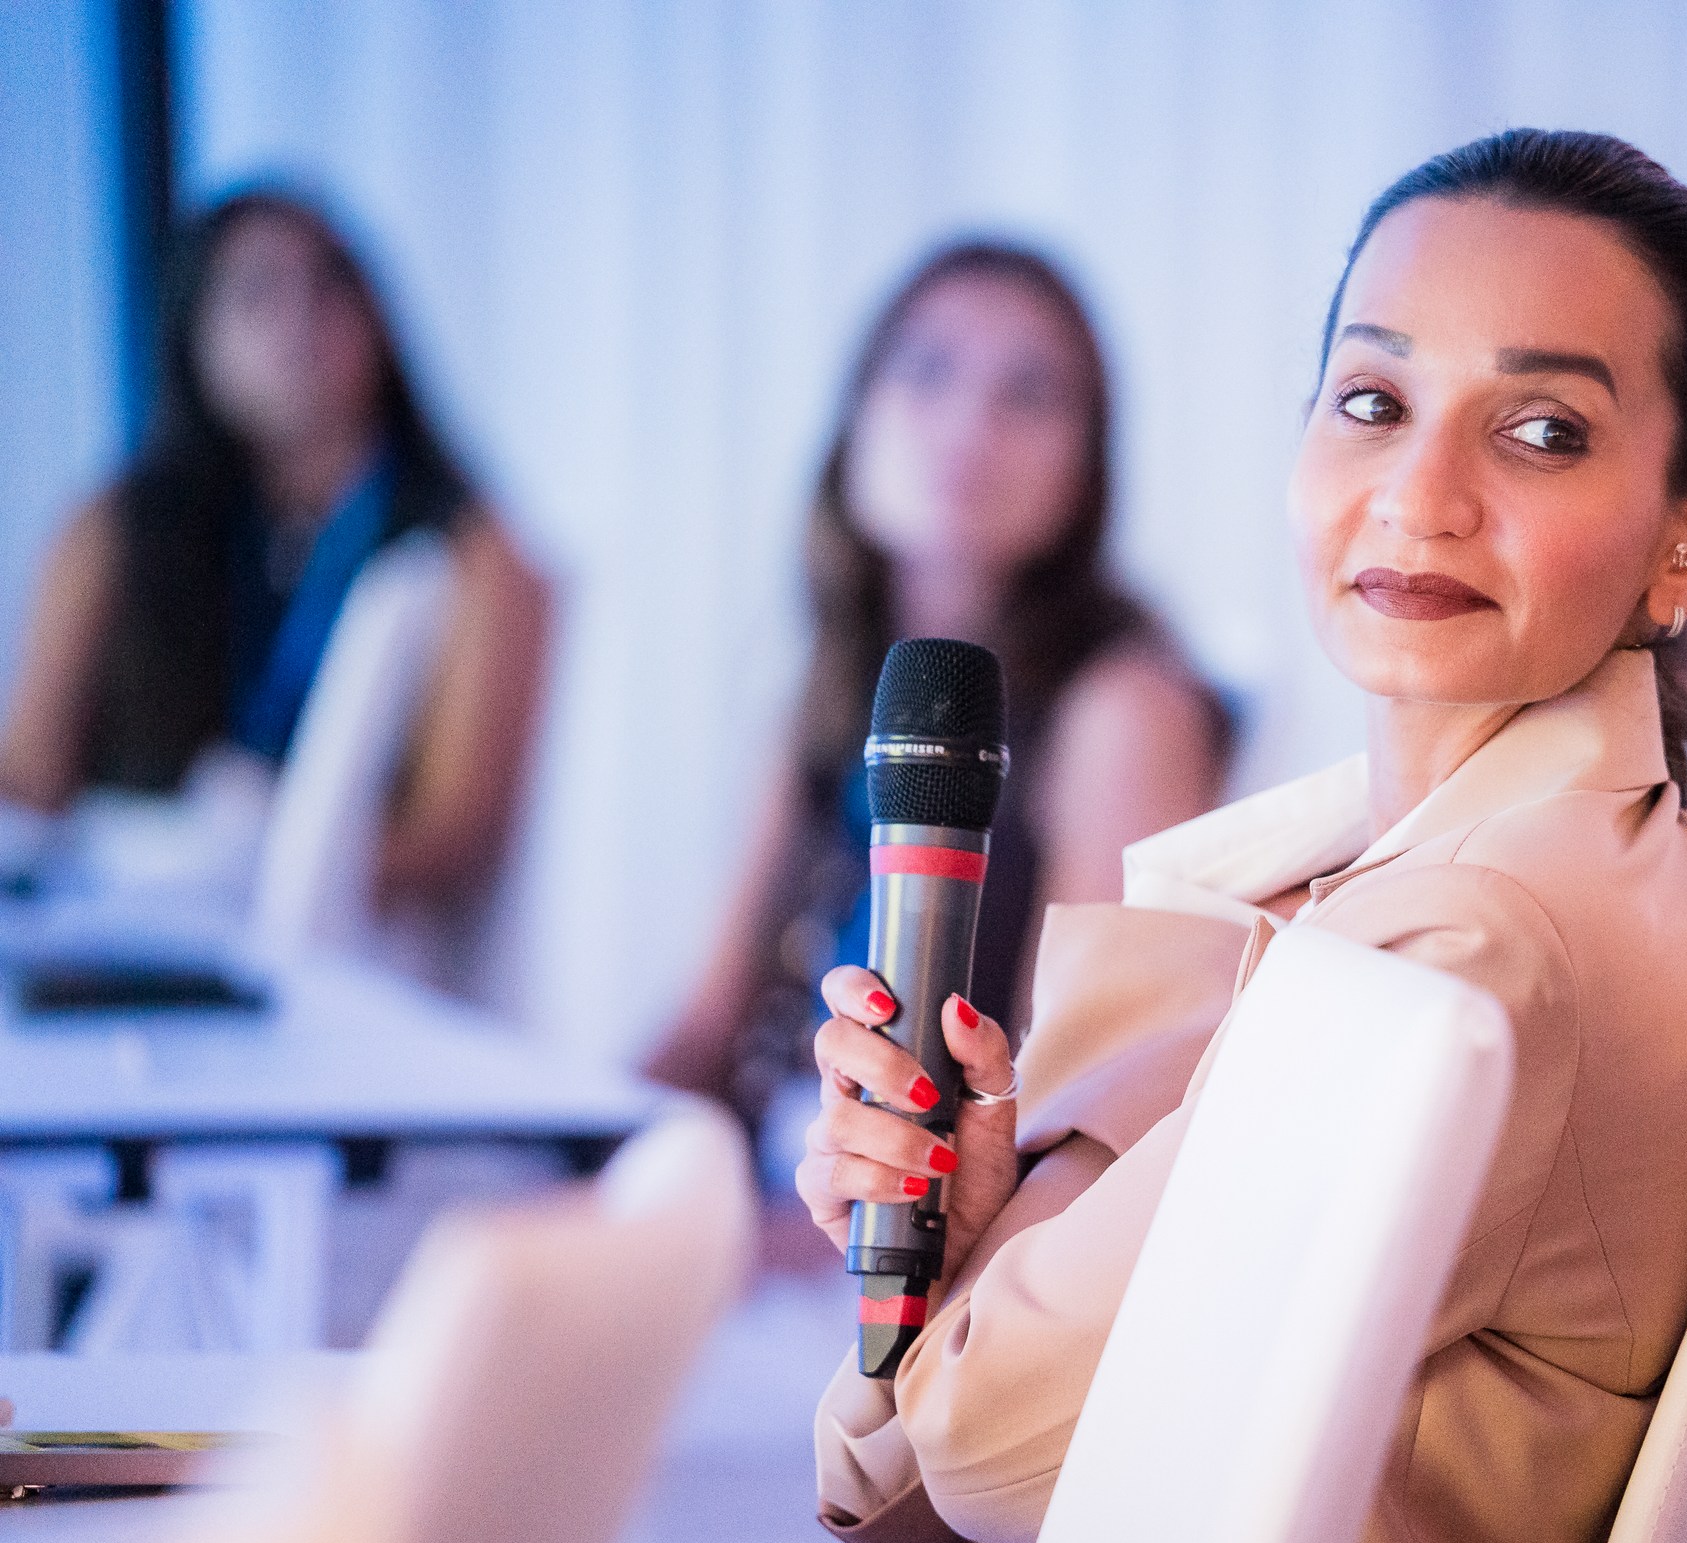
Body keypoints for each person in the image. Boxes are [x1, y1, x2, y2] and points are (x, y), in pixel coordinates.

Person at [746, 129, 1687, 1543]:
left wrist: (982, 1269)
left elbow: (984, 1444)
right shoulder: (1481, 868)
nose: (1421, 495)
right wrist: (984, 1223)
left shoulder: (1475, 945)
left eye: (1544, 430)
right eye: (1374, 403)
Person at [645, 241, 1229, 1123]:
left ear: (1088, 468)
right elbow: (710, 1021)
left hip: (939, 1222)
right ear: (855, 417)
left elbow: (1078, 1092)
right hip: (761, 1180)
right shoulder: (833, 679)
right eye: (926, 370)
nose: (969, 426)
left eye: (1029, 394)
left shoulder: (1125, 706)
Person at [0, 187, 548, 916]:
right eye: (255, 293)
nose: (299, 321)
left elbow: (457, 832)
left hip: (339, 940)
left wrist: (267, 865)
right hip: (120, 914)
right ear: (192, 333)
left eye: (329, 283)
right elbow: (32, 767)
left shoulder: (467, 549)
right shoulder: (116, 529)